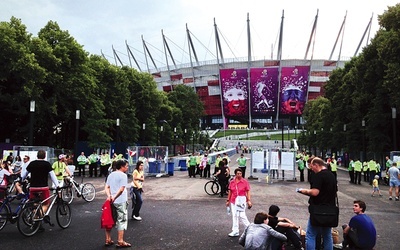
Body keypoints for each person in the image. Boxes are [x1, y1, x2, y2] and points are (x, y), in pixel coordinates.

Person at [297, 157, 337, 250]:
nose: (312, 170)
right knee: (327, 235)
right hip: (330, 209)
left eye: (312, 167)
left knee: (310, 235)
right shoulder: (331, 175)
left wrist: (303, 191)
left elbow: (315, 192)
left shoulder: (319, 176)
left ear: (316, 165)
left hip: (318, 209)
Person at [21, 150, 60, 214]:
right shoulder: (47, 164)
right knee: (46, 204)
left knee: (34, 204)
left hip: (33, 187)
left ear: (37, 155)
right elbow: (52, 176)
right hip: (43, 187)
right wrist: (57, 185)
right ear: (44, 156)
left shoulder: (32, 163)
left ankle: (34, 216)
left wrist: (21, 180)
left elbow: (25, 174)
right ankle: (38, 217)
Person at [104, 159, 131, 248]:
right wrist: (115, 197)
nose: (127, 167)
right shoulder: (123, 176)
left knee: (110, 219)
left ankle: (108, 239)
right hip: (121, 200)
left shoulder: (111, 174)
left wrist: (109, 196)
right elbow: (122, 189)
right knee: (121, 220)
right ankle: (120, 241)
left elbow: (107, 187)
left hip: (111, 201)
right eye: (126, 166)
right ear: (122, 166)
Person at [226, 168, 252, 237]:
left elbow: (248, 191)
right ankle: (235, 231)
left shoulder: (245, 182)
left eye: (240, 173)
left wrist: (249, 200)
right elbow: (230, 191)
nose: (239, 175)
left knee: (242, 215)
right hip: (234, 201)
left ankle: (250, 229)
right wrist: (228, 200)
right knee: (235, 215)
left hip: (241, 201)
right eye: (238, 174)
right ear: (235, 174)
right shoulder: (232, 182)